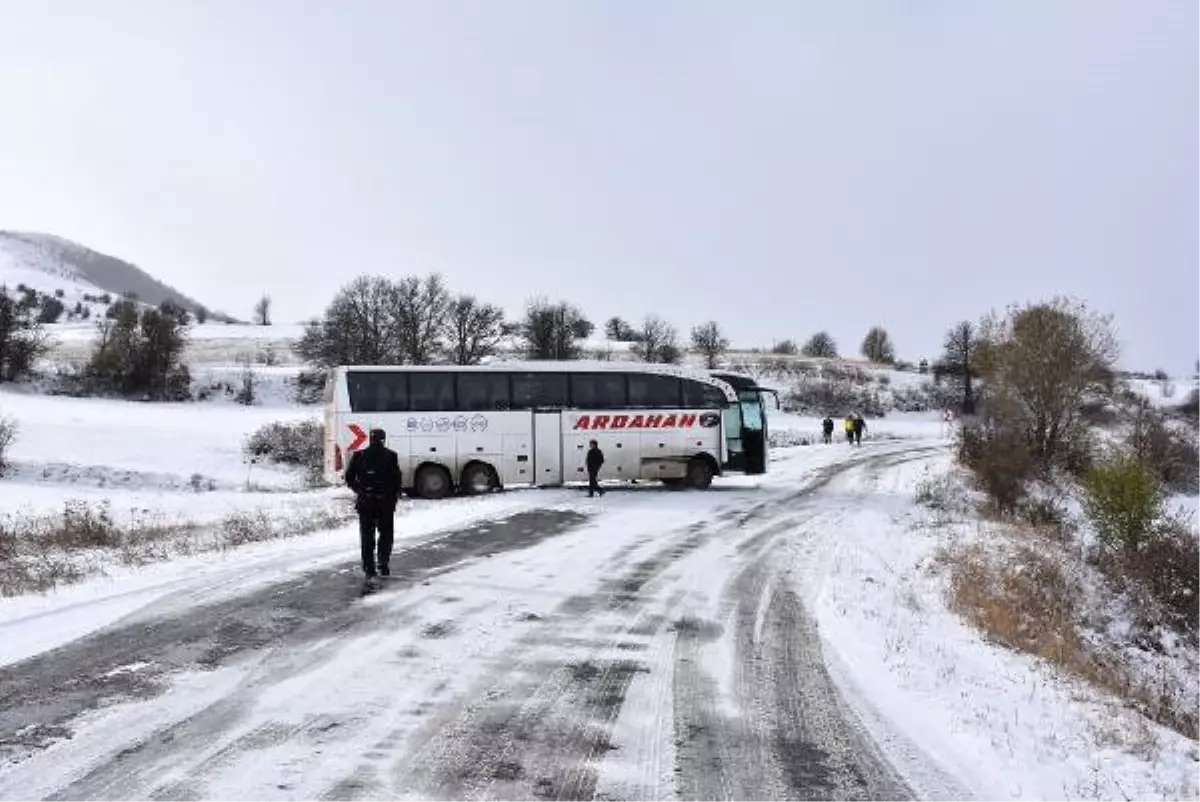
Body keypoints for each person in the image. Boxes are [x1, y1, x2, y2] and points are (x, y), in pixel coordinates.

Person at [344, 428, 402, 588]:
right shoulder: (391, 456)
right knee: (386, 534)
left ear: (370, 439)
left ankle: (369, 569)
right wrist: (392, 497)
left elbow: (349, 477)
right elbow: (397, 480)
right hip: (385, 504)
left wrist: (360, 490)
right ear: (383, 440)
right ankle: (383, 563)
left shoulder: (360, 455)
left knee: (367, 536)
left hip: (366, 503)